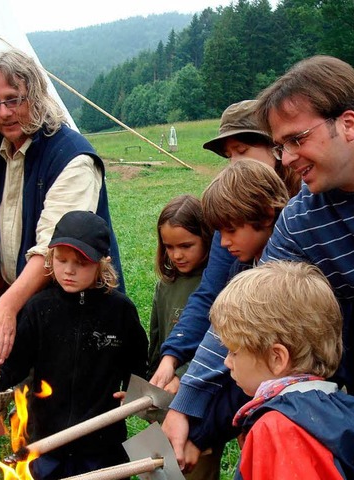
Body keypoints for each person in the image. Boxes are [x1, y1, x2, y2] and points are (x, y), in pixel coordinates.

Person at [162, 55, 354, 471]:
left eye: (297, 140)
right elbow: (248, 310)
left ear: (349, 123)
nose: (285, 159)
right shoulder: (301, 222)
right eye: (280, 146)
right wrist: (186, 405)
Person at [0, 49, 123, 365]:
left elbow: (51, 250)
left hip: (76, 311)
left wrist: (7, 307)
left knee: (76, 406)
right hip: (27, 305)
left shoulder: (72, 158)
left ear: (35, 96)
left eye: (14, 99)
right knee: (29, 402)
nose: (4, 112)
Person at [0, 211, 148, 480]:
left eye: (81, 263)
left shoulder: (120, 311)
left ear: (104, 263)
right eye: (61, 259)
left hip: (101, 446)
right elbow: (16, 361)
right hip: (47, 444)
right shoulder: (39, 308)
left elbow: (137, 364)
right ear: (50, 258)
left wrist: (136, 392)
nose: (68, 270)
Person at [149, 100, 299, 391]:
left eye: (242, 151)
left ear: (275, 148)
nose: (234, 163)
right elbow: (212, 294)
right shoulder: (232, 220)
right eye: (229, 156)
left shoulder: (303, 210)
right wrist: (172, 356)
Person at [212, 261, 354, 480]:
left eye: (233, 351)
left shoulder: (279, 429)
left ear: (277, 358)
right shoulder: (341, 408)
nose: (227, 362)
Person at [172, 159, 291, 469]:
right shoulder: (243, 266)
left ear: (266, 215)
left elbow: (247, 380)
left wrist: (199, 436)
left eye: (231, 230)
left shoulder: (282, 284)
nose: (223, 243)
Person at [146, 194, 220, 480]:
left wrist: (183, 376)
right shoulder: (166, 286)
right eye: (169, 247)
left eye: (186, 246)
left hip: (200, 411)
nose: (176, 255)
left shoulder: (216, 286)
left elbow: (220, 346)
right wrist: (144, 389)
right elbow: (157, 345)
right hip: (164, 405)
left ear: (208, 238)